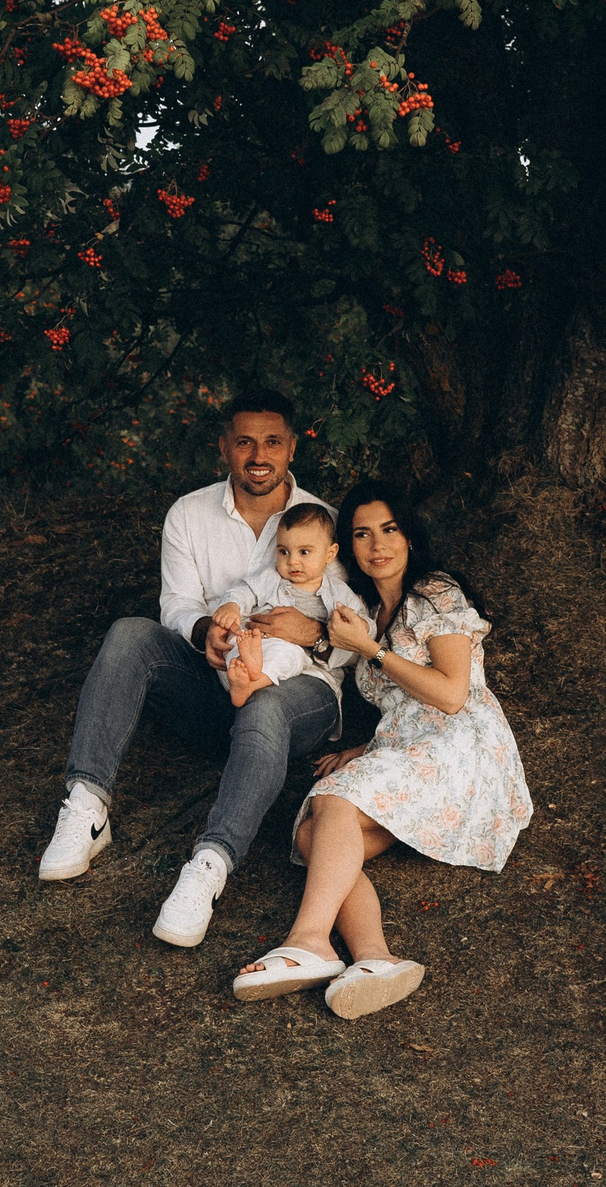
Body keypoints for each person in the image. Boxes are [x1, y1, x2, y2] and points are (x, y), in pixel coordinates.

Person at [37, 388, 349, 947]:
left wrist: (315, 634)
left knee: (265, 704)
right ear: (224, 447)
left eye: (272, 442)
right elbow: (177, 603)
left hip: (301, 691)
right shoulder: (188, 513)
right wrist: (207, 631)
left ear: (292, 448)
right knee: (129, 634)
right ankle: (87, 804)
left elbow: (359, 624)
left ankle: (209, 865)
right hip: (215, 682)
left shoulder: (327, 523)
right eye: (245, 442)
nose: (259, 455)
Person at [231, 480, 532, 1018]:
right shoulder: (365, 611)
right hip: (407, 745)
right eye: (362, 534)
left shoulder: (435, 593)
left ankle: (308, 941)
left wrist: (368, 649)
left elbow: (450, 694)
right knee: (310, 835)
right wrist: (367, 746)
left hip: (462, 746)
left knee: (334, 801)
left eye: (389, 529)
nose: (377, 545)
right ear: (347, 547)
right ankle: (375, 958)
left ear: (409, 535)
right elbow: (401, 704)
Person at [208, 502, 368, 707]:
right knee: (234, 646)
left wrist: (363, 626)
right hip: (251, 639)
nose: (292, 561)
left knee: (289, 655)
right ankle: (245, 672)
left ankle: (250, 683)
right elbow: (245, 589)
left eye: (304, 552)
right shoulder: (272, 577)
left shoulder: (337, 592)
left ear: (330, 554)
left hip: (288, 649)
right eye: (284, 552)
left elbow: (361, 624)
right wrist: (232, 604)